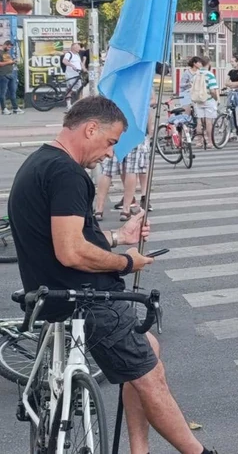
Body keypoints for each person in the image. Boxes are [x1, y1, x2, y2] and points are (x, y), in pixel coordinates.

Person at [7, 97, 217, 454]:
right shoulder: (68, 174)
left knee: (148, 347)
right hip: (85, 299)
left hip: (50, 293)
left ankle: (139, 448)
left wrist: (121, 237)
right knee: (151, 377)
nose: (110, 154)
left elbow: (64, 236)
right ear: (91, 129)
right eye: (110, 142)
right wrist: (126, 262)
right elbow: (71, 251)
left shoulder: (39, 163)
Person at [191, 57, 220, 143]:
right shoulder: (210, 75)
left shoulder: (196, 74)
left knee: (199, 121)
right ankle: (210, 142)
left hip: (198, 100)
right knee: (208, 122)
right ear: (209, 64)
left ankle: (199, 141)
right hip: (208, 100)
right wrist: (216, 98)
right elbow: (212, 90)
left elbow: (192, 86)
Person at [0, 39, 21, 114]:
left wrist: (13, 61)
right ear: (4, 45)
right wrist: (9, 62)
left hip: (10, 74)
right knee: (3, 93)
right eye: (8, 47)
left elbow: (9, 62)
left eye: (10, 48)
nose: (9, 49)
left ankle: (15, 108)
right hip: (3, 74)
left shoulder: (7, 53)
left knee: (13, 92)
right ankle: (4, 109)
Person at [62, 42, 84, 111]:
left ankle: (80, 105)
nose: (79, 48)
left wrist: (85, 70)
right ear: (74, 48)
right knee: (70, 89)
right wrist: (72, 65)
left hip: (77, 75)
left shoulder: (77, 55)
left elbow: (81, 64)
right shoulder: (69, 54)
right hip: (70, 75)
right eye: (78, 47)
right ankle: (68, 105)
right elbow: (64, 61)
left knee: (80, 89)